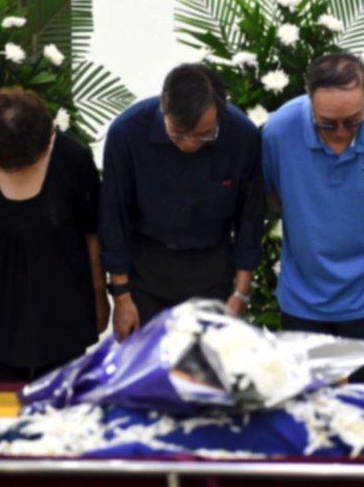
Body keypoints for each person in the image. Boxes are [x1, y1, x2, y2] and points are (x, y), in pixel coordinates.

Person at [262, 53, 364, 382]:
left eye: (352, 121)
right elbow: (275, 196)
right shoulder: (278, 131)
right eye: (327, 123)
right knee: (307, 406)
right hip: (304, 293)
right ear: (309, 101)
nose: (341, 132)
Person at [100, 64, 264, 339]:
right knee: (148, 373)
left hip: (212, 274)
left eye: (204, 135)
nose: (189, 144)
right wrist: (122, 297)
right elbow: (113, 216)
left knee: (207, 374)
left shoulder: (242, 136)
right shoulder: (127, 132)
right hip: (147, 273)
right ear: (164, 107)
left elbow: (250, 217)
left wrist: (240, 293)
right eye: (177, 133)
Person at [0, 87, 107, 381]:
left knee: (65, 406)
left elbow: (92, 233)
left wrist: (100, 296)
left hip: (65, 303)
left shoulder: (73, 159)